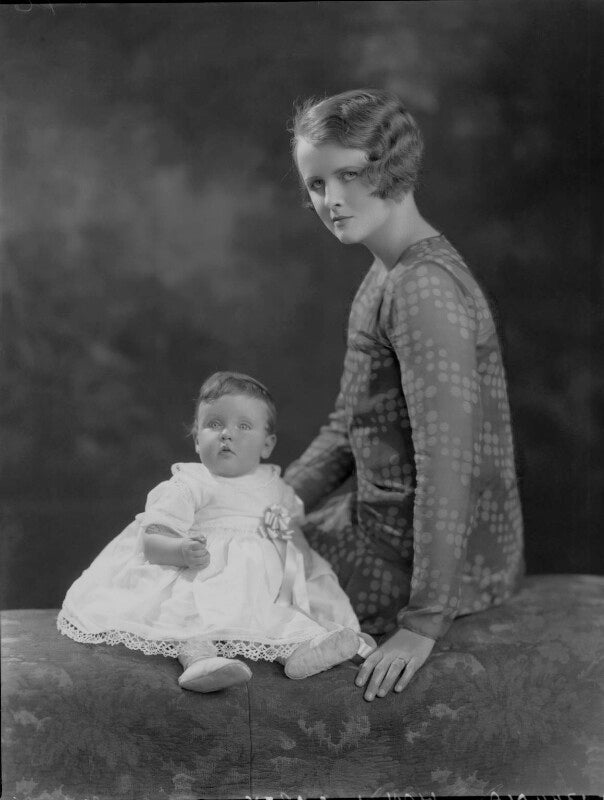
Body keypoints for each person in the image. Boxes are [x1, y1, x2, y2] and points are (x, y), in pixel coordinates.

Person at [284, 89, 524, 702]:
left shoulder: (424, 289)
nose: (331, 201)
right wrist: (283, 495)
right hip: (379, 522)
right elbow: (349, 420)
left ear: (390, 168)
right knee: (232, 536)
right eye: (316, 184)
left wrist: (422, 626)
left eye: (351, 174)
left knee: (234, 578)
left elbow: (450, 465)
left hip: (421, 559)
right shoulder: (383, 274)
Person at [58, 372, 374, 693]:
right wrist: (181, 550)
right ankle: (200, 662)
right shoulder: (190, 483)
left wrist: (301, 588)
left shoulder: (275, 489)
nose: (227, 434)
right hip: (199, 580)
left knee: (283, 616)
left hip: (256, 588)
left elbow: (291, 544)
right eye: (214, 424)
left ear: (267, 444)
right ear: (197, 439)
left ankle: (301, 652)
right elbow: (151, 541)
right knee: (187, 615)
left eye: (244, 426)